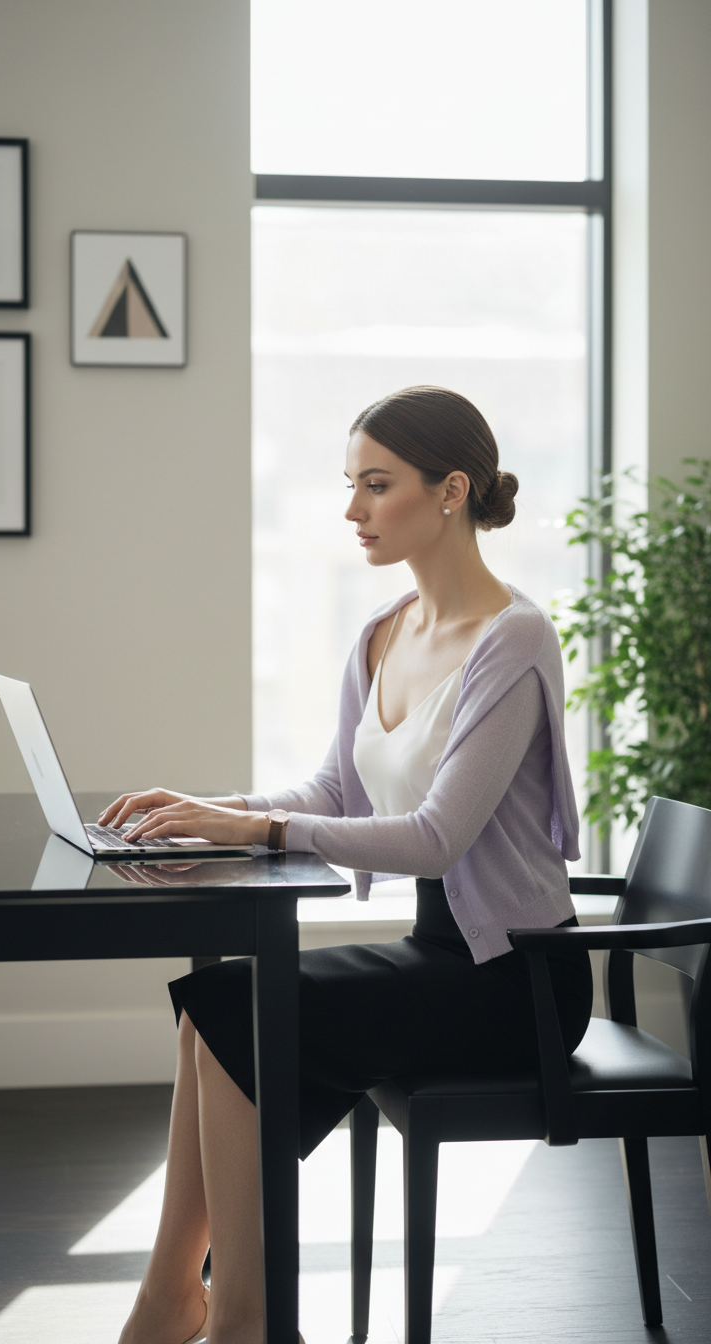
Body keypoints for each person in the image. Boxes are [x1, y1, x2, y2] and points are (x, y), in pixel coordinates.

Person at [105, 385, 593, 1344]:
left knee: (236, 1009)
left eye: (377, 485)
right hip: (437, 956)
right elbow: (334, 793)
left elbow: (434, 836)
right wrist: (210, 812)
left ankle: (233, 1312)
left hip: (516, 982)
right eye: (350, 484)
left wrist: (258, 835)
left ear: (451, 491)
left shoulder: (516, 640)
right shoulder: (383, 630)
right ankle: (180, 1297)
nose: (352, 509)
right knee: (219, 1013)